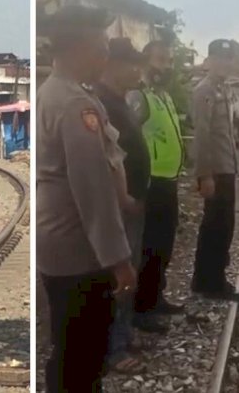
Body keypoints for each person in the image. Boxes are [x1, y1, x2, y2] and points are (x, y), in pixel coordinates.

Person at [37, 5, 136, 392]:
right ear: (78, 49)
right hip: (80, 250)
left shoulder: (55, 91)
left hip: (62, 245)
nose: (106, 56)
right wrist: (119, 259)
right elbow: (92, 188)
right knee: (83, 355)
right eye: (101, 47)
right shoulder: (75, 104)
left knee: (69, 349)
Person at [94, 37, 152, 375]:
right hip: (121, 205)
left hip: (133, 203)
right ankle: (113, 348)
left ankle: (125, 332)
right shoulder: (101, 103)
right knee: (118, 275)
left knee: (130, 272)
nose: (137, 70)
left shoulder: (121, 101)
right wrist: (124, 198)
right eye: (132, 64)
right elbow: (108, 161)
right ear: (113, 65)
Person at [126, 36, 187, 325]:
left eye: (169, 61)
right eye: (161, 60)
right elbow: (128, 137)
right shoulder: (139, 97)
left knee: (164, 244)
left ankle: (157, 297)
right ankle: (142, 307)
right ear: (145, 63)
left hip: (168, 180)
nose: (167, 66)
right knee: (149, 246)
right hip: (151, 183)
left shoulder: (164, 96)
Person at [190, 39, 239, 301]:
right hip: (216, 170)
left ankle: (210, 278)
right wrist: (204, 175)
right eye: (219, 59)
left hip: (227, 167)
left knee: (224, 225)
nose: (224, 64)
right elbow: (202, 135)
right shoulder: (205, 92)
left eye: (228, 59)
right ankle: (209, 282)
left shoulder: (224, 89)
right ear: (209, 60)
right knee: (215, 226)